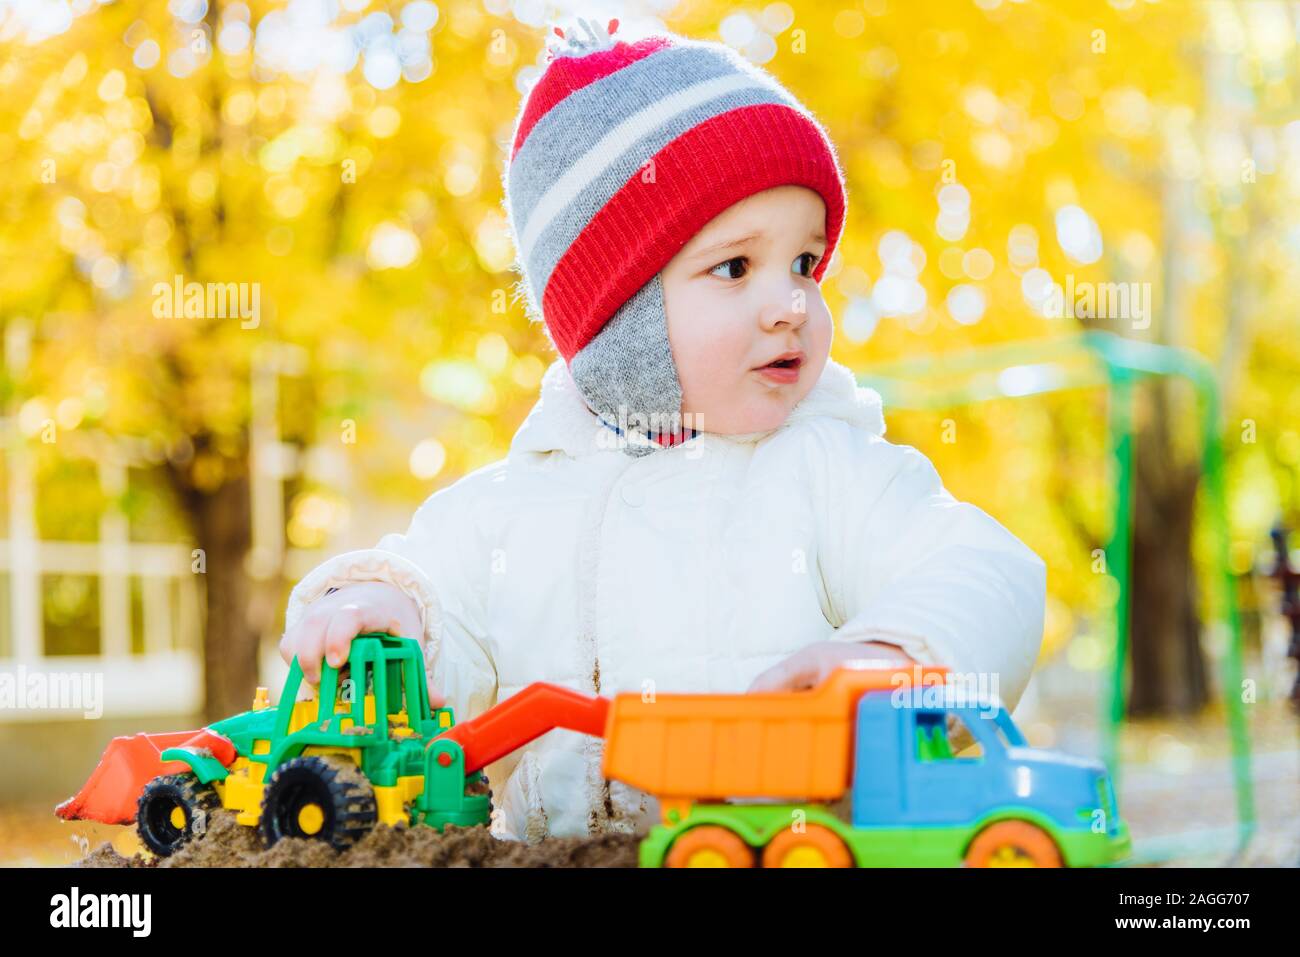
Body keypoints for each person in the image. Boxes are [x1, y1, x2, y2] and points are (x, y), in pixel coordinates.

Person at [279, 22, 1046, 843]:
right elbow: (438, 641)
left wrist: (895, 656)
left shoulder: (829, 470)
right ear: (622, 319)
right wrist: (384, 607)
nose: (792, 302)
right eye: (736, 267)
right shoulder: (508, 508)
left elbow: (987, 571)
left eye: (805, 262)